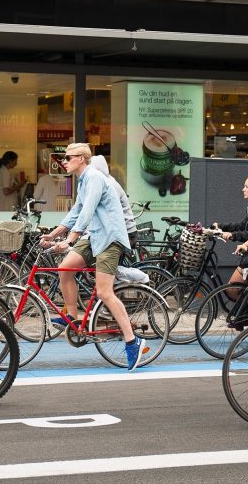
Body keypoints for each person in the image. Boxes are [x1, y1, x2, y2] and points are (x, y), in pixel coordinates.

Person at [40, 143, 144, 371]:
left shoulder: (95, 178)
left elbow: (87, 211)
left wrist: (69, 240)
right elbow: (75, 212)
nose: (64, 161)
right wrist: (54, 233)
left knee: (105, 292)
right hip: (94, 235)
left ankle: (132, 341)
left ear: (81, 159)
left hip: (110, 238)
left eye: (68, 158)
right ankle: (74, 319)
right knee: (65, 269)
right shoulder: (83, 181)